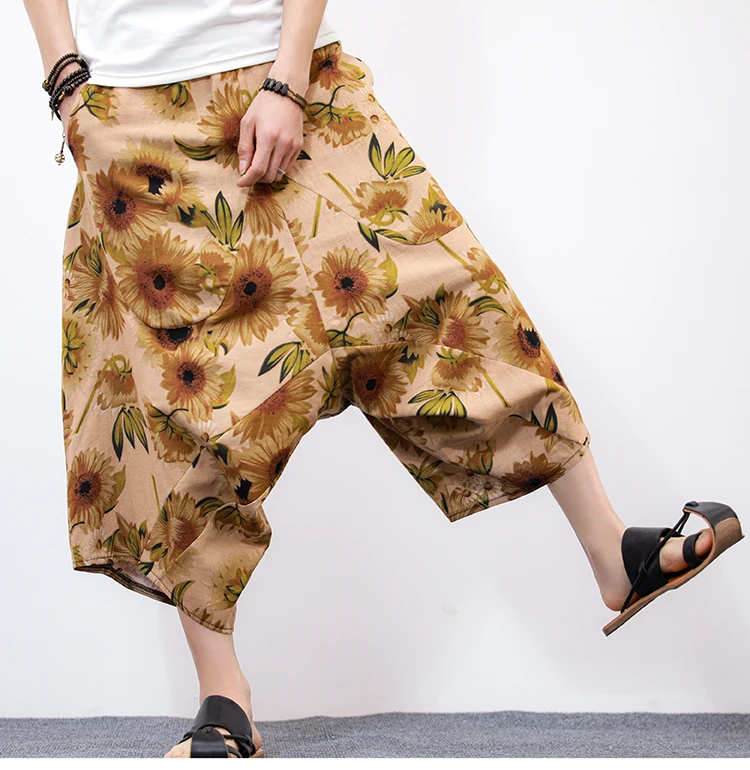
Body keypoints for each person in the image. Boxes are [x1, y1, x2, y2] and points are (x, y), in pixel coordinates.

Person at [23, 0, 744, 759]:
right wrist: (67, 86)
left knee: (444, 294)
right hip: (136, 112)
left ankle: (612, 551)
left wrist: (288, 77)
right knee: (195, 401)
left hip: (295, 78)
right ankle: (222, 696)